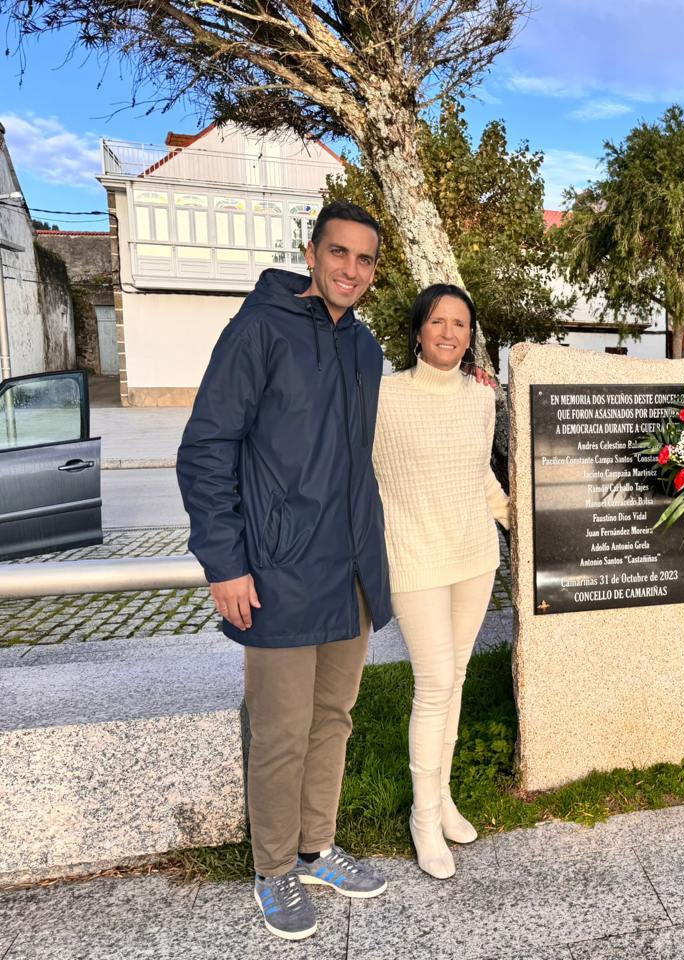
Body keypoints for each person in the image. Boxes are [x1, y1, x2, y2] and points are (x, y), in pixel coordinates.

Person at [177, 201, 394, 941]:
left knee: (332, 721)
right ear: (311, 252)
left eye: (366, 260)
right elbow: (207, 448)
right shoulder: (258, 331)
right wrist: (225, 562)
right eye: (340, 253)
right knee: (281, 731)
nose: (352, 270)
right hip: (274, 571)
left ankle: (314, 847)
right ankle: (272, 870)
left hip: (350, 573)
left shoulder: (365, 350)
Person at [371, 284, 509, 879]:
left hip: (473, 556)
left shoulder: (482, 399)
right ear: (418, 330)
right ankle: (423, 817)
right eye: (437, 321)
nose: (448, 332)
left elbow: (480, 473)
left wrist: (518, 526)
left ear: (470, 333)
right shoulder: (381, 397)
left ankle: (444, 795)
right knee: (433, 684)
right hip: (414, 559)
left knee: (454, 679)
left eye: (460, 323)